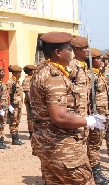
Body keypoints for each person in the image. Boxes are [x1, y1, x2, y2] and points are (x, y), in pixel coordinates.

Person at [30, 31, 106, 184]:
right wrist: (88, 121)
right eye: (68, 50)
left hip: (47, 143)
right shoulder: (53, 76)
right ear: (58, 52)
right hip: (61, 146)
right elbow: (60, 117)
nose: (70, 54)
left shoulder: (42, 70)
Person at [86, 48, 109, 184]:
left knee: (98, 143)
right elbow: (87, 98)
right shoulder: (89, 77)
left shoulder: (99, 75)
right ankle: (95, 172)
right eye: (98, 58)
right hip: (96, 116)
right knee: (94, 144)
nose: (101, 60)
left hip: (104, 114)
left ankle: (97, 171)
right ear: (91, 60)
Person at [6, 65, 24, 145]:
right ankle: (14, 138)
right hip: (13, 105)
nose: (20, 74)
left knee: (17, 122)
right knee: (13, 122)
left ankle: (17, 137)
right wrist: (9, 105)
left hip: (18, 105)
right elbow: (7, 94)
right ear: (15, 73)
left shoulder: (17, 82)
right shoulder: (10, 82)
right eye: (19, 73)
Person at [0, 66, 10, 149]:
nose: (4, 74)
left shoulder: (1, 82)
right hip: (1, 107)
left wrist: (9, 105)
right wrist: (0, 109)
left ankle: (1, 141)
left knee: (3, 125)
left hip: (4, 106)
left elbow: (7, 95)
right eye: (2, 72)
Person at [22, 65, 36, 139]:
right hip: (30, 101)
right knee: (31, 117)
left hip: (35, 100)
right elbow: (27, 92)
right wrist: (31, 102)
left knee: (35, 117)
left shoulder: (33, 78)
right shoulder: (27, 80)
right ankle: (31, 133)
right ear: (30, 71)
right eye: (33, 70)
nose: (35, 71)